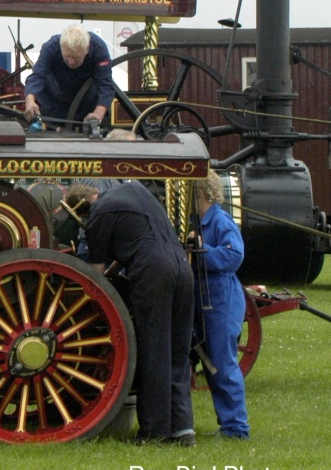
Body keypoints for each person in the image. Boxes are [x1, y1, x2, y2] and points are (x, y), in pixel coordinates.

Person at [84, 181, 196, 445]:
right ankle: (183, 429)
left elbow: (96, 276)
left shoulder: (99, 212)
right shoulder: (141, 196)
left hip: (153, 271)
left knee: (154, 348)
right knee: (177, 351)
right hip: (183, 269)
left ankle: (154, 431)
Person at [192, 170, 250, 439]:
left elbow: (233, 256)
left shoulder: (220, 220)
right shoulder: (204, 221)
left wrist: (201, 251)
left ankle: (236, 428)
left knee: (223, 364)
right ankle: (230, 424)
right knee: (213, 363)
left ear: (201, 193)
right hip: (208, 298)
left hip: (221, 298)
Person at [23, 24, 115, 128]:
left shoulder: (99, 48)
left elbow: (106, 85)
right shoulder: (50, 47)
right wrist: (30, 102)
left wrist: (98, 114)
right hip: (53, 106)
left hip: (86, 107)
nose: (71, 62)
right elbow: (37, 76)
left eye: (76, 57)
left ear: (87, 49)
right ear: (61, 47)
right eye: (66, 56)